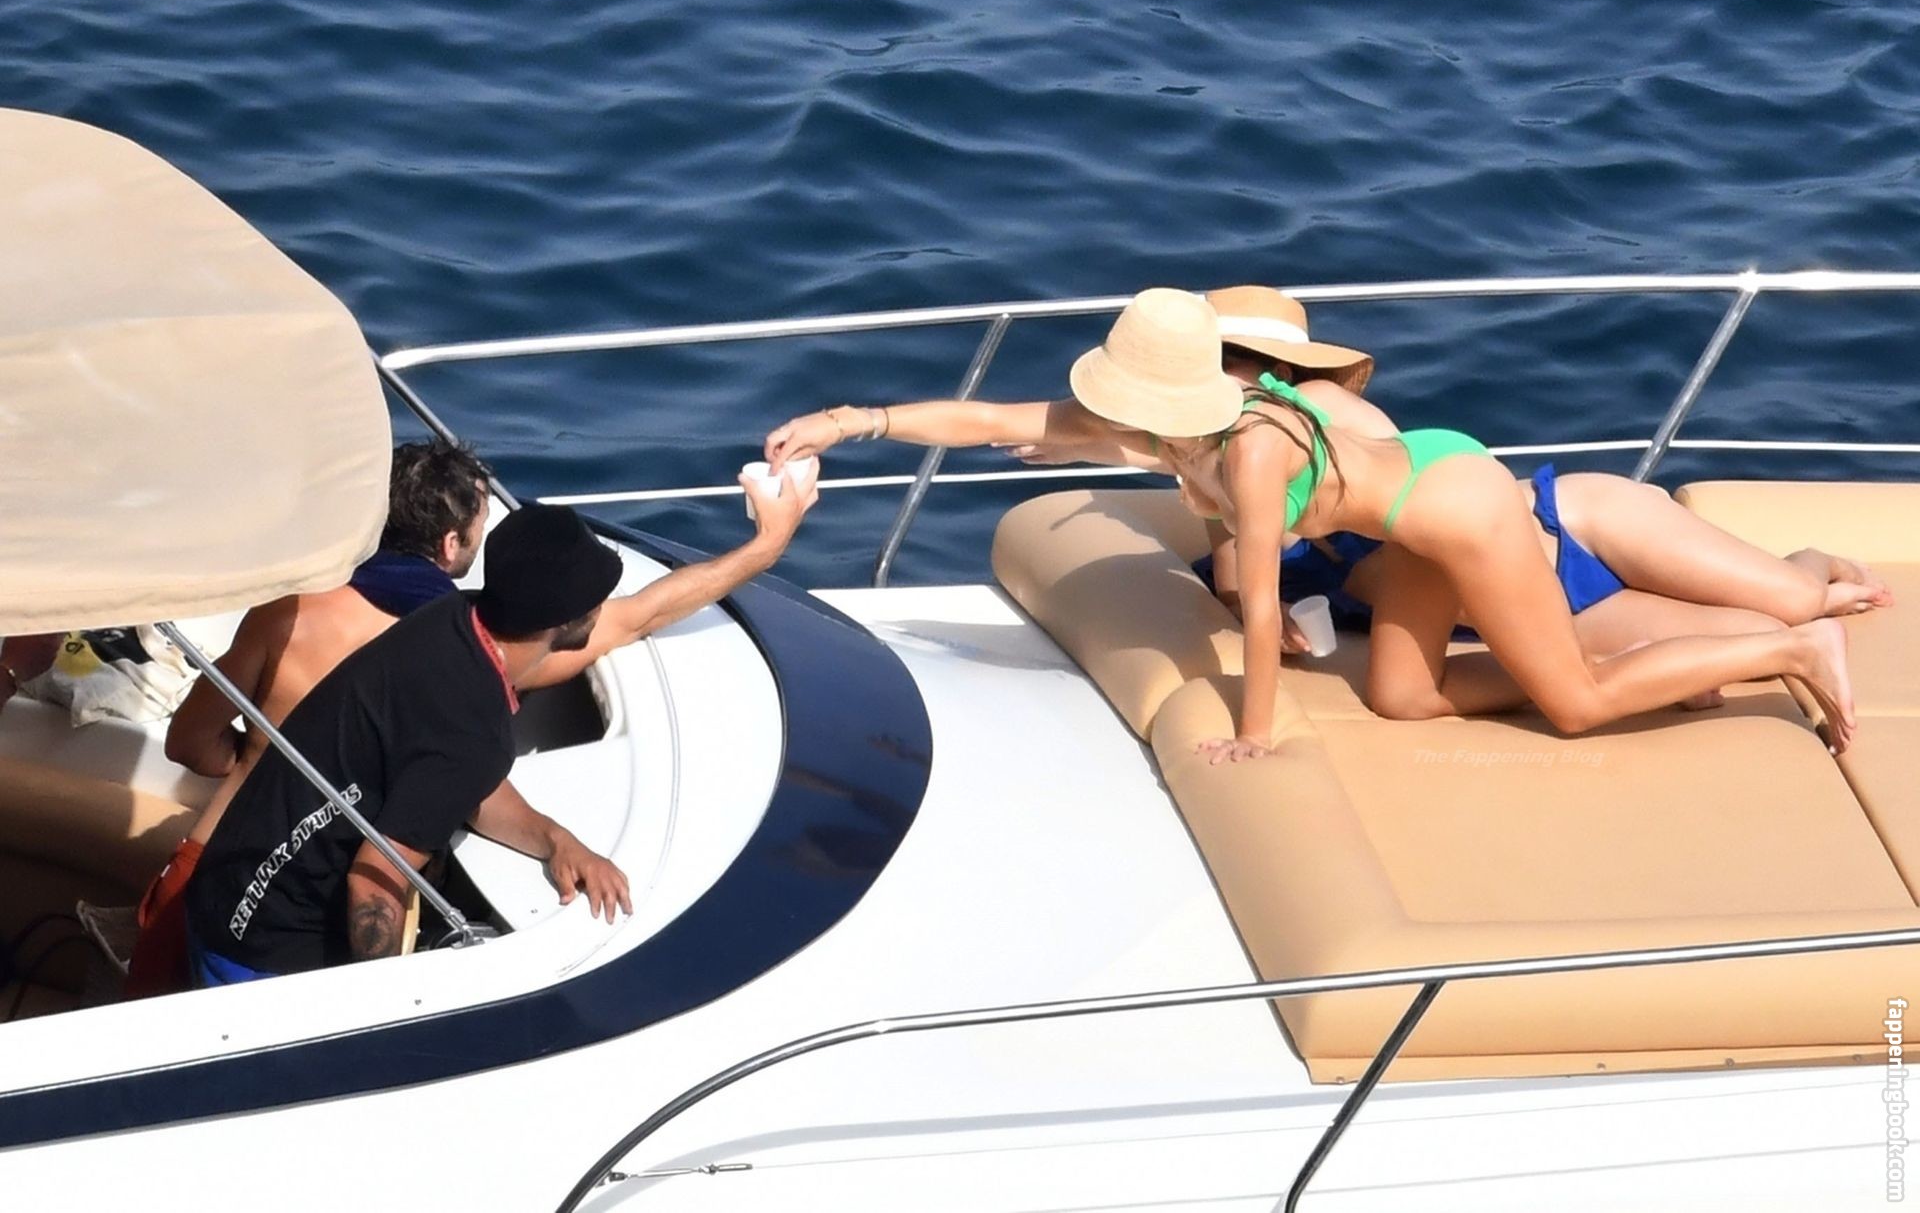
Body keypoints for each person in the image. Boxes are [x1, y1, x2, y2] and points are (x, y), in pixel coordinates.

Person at [764, 287, 1860, 762]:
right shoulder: (1158, 429)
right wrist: (851, 420)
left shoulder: (1252, 448)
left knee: (1574, 704)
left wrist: (1258, 728)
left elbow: (1255, 601)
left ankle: (1793, 647)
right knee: (1403, 698)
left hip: (1463, 509)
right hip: (1413, 530)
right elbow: (989, 417)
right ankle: (1676, 658)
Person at [1012, 285, 1892, 711]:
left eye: (1228, 366)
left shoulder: (1315, 413)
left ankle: (1808, 564)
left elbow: (1274, 528)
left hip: (1568, 521)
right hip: (1523, 589)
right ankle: (1788, 608)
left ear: (1269, 372)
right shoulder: (1230, 464)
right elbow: (1243, 573)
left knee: (1800, 598)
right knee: (1734, 647)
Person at [183, 504, 614, 981]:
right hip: (263, 951)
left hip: (218, 893)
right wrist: (388, 999)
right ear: (564, 619)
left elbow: (461, 784)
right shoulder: (474, 729)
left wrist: (556, 841)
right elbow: (375, 884)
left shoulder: (449, 620)